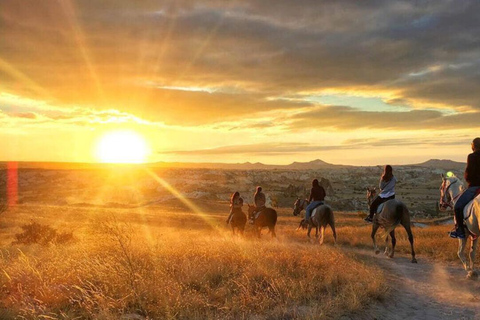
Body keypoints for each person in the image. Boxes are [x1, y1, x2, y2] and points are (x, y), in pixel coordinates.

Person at [449, 138, 480, 239]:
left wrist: (468, 179)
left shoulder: (472, 157)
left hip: (475, 187)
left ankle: (460, 231)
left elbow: (469, 173)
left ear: (474, 146)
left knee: (457, 207)